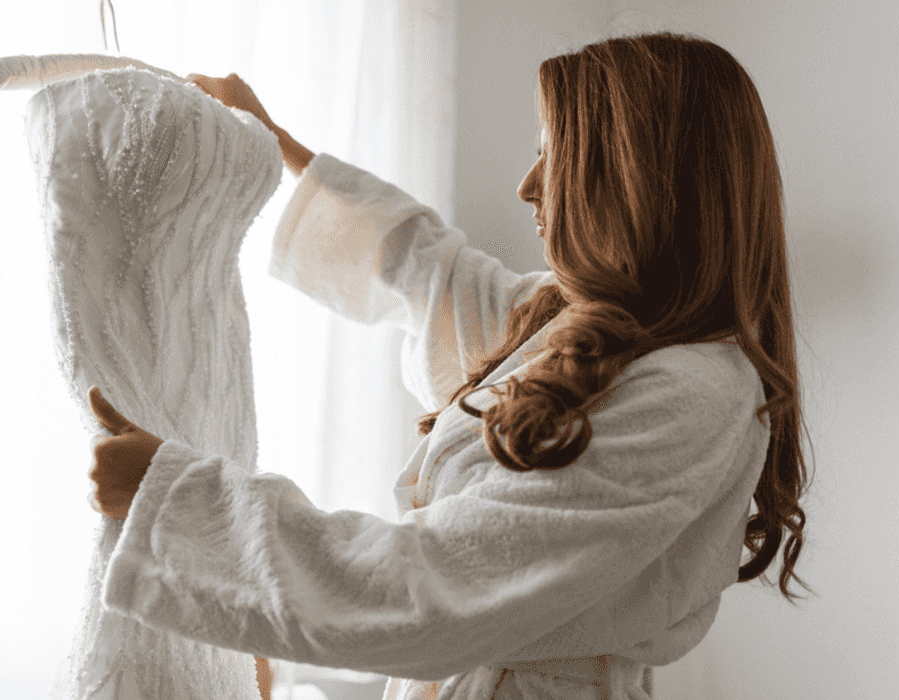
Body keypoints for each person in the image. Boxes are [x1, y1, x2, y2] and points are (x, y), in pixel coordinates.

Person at [92, 32, 814, 699]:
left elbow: (436, 584)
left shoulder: (692, 392)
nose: (528, 185)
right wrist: (276, 142)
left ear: (637, 180)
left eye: (556, 153)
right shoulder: (570, 326)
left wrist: (175, 502)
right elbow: (430, 269)